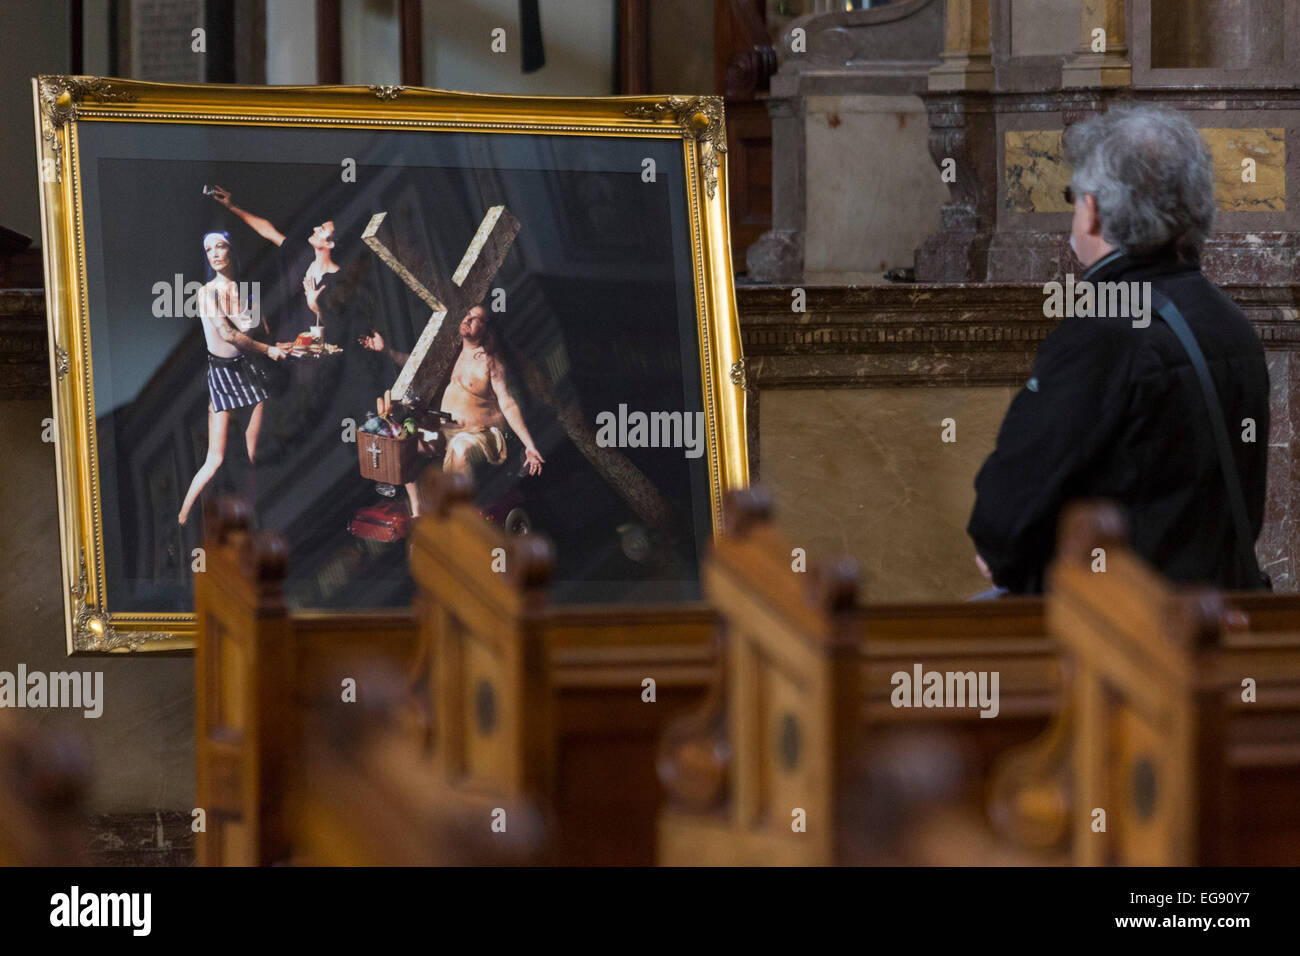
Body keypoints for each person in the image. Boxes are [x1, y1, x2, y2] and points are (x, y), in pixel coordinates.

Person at [968, 104, 1270, 594]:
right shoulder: (1229, 321)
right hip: (1222, 608)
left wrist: (1007, 552)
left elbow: (1003, 518)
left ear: (1094, 211)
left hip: (1129, 629)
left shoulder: (1102, 330)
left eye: (1073, 197)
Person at [363, 305, 544, 515]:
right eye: (467, 314)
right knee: (403, 442)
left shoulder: (490, 362)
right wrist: (387, 351)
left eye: (476, 319)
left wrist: (529, 445)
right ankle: (417, 511)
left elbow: (508, 403)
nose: (468, 319)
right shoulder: (451, 352)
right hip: (445, 431)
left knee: (460, 446)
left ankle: (463, 512)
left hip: (480, 434)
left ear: (486, 330)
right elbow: (415, 364)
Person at [178, 231, 286, 526]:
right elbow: (229, 335)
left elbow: (261, 333)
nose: (214, 253)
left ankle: (251, 515)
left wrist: (285, 347)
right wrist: (269, 349)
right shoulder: (206, 292)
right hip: (223, 375)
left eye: (220, 246)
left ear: (231, 250)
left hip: (249, 371)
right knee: (216, 458)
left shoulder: (248, 291)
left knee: (253, 453)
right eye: (208, 249)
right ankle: (183, 517)